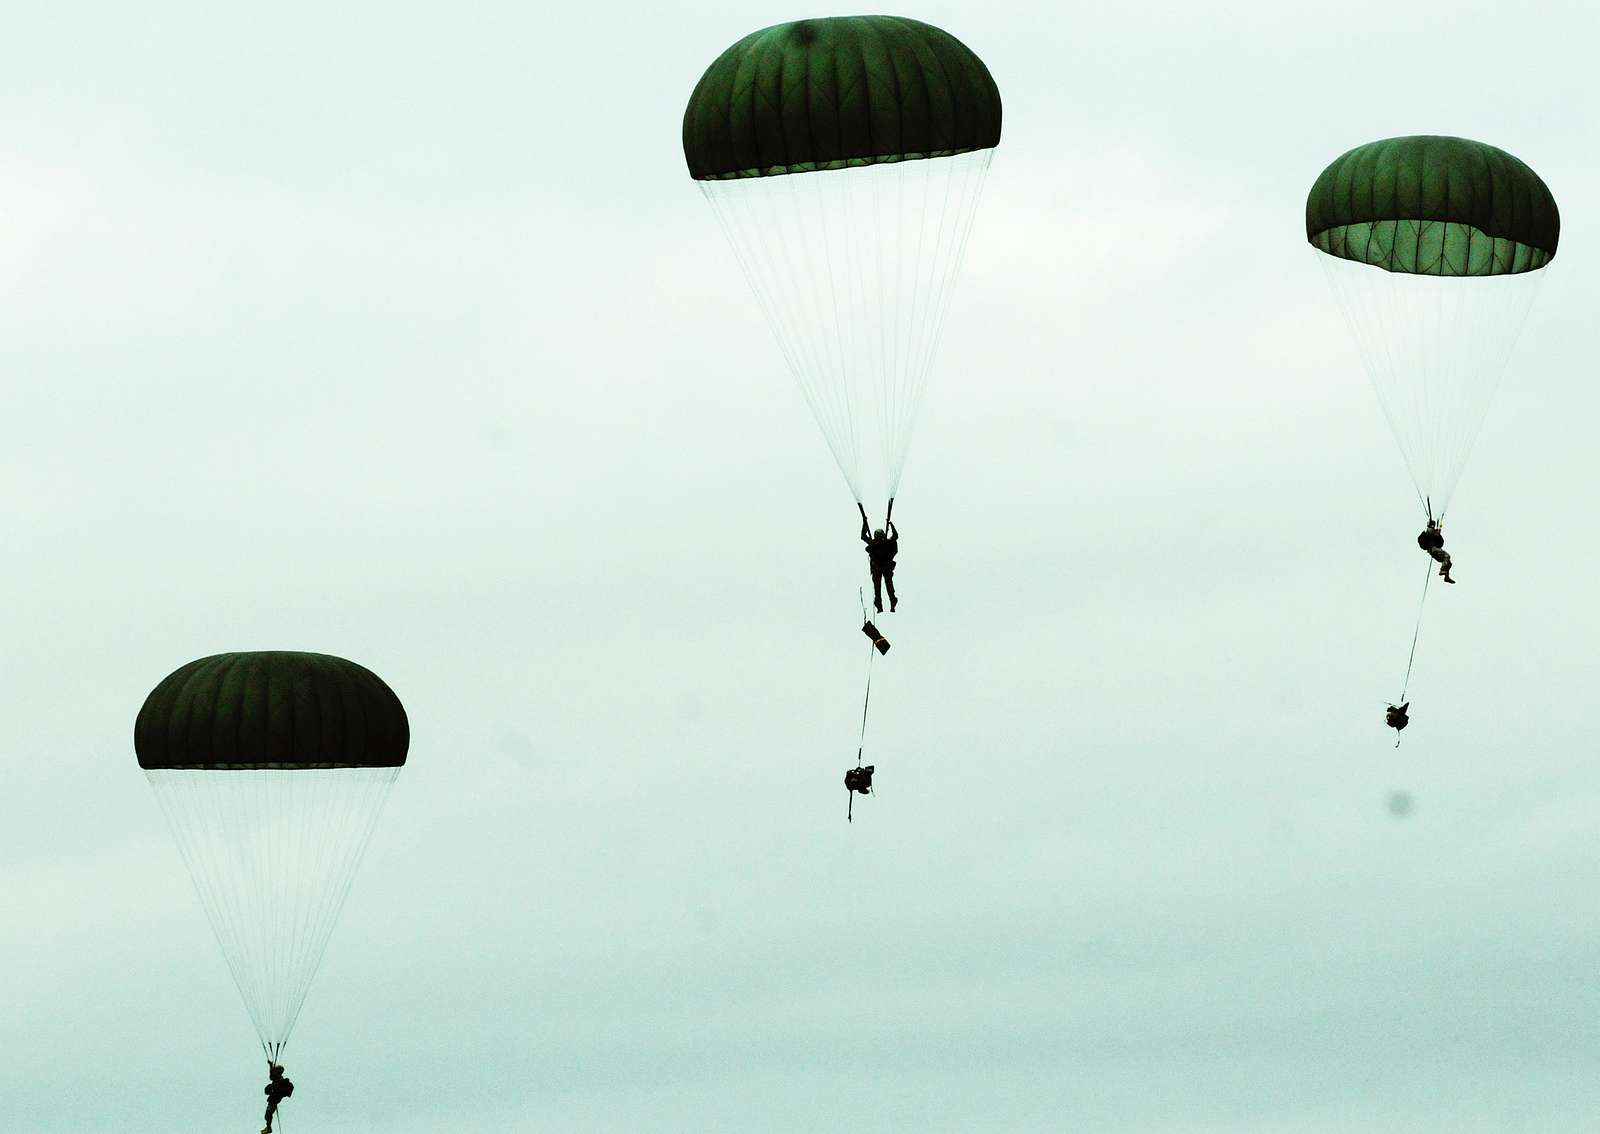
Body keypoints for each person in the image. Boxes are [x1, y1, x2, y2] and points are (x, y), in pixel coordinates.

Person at [860, 516, 899, 613]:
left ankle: (880, 607)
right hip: (886, 568)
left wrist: (864, 523)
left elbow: (863, 536)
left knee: (878, 588)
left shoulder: (873, 544)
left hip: (877, 568)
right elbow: (895, 536)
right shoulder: (887, 542)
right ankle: (892, 604)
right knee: (889, 586)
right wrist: (891, 524)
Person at [262, 1062, 294, 1134]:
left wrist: (271, 1066)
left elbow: (272, 1075)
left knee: (268, 1113)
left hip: (275, 1099)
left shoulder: (281, 1081)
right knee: (267, 1114)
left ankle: (268, 1128)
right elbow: (272, 1075)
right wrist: (271, 1066)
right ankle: (268, 1127)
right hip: (274, 1098)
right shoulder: (276, 1080)